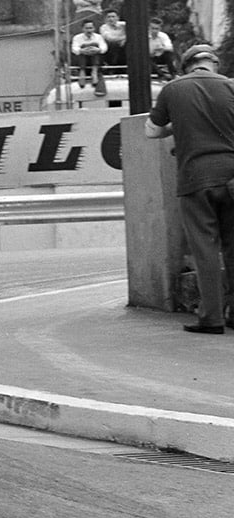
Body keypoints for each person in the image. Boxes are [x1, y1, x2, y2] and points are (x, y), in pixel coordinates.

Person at [145, 44, 234, 334]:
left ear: (187, 66)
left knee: (205, 248)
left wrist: (177, 127)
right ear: (214, 64)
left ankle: (211, 318)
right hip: (232, 175)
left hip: (195, 177)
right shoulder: (231, 86)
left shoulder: (173, 89)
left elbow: (151, 130)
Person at [71, 19, 108, 92]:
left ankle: (94, 71)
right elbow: (74, 49)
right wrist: (82, 51)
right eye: (87, 28)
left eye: (91, 28)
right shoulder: (77, 37)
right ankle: (82, 72)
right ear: (82, 29)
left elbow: (104, 48)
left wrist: (97, 50)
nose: (89, 30)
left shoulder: (98, 37)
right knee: (83, 46)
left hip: (95, 58)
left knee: (94, 45)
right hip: (83, 58)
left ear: (94, 28)